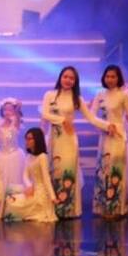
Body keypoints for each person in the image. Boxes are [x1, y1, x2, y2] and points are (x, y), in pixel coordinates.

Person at [88, 65, 128, 219]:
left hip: (118, 137)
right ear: (104, 78)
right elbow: (91, 116)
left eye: (113, 76)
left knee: (116, 171)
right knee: (104, 170)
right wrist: (104, 126)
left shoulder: (123, 95)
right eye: (108, 76)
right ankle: (104, 207)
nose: (110, 79)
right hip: (105, 136)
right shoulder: (100, 95)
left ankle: (117, 208)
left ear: (118, 79)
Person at [41, 66, 86, 218]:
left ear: (75, 81)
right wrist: (62, 120)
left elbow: (92, 118)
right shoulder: (50, 95)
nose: (68, 80)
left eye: (72, 78)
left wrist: (109, 125)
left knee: (68, 172)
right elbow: (45, 114)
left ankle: (67, 209)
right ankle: (55, 208)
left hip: (69, 140)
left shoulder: (77, 99)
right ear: (60, 77)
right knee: (55, 171)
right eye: (65, 76)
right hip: (54, 140)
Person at [3, 127, 57, 223]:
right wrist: (29, 186)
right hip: (31, 189)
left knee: (14, 205)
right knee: (10, 198)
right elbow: (25, 175)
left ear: (37, 140)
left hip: (40, 193)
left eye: (29, 139)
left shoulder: (42, 157)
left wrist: (52, 197)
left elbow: (46, 179)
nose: (26, 141)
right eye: (26, 139)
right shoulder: (28, 157)